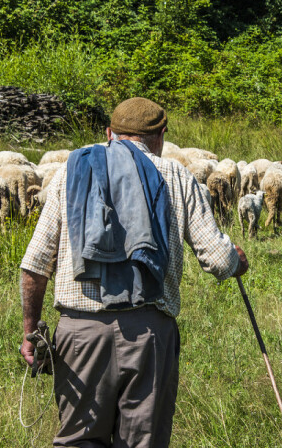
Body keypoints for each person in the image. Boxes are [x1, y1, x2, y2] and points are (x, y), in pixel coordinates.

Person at [19, 97, 249, 447]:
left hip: (80, 335)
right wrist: (237, 262)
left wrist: (30, 331)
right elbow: (217, 259)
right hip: (148, 335)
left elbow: (35, 264)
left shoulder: (70, 171)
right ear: (160, 137)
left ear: (110, 133)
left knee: (79, 442)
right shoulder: (176, 175)